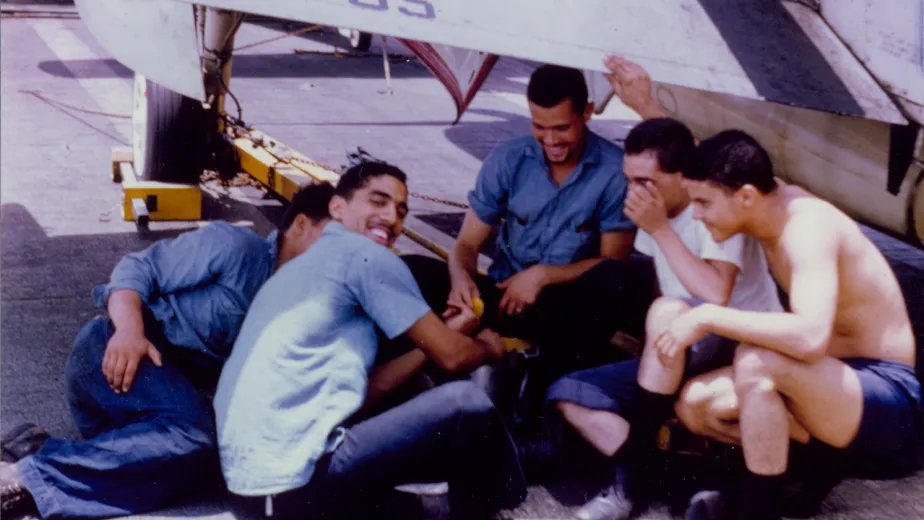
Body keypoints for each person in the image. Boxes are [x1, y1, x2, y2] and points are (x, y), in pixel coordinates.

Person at [0, 183, 337, 518]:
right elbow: (135, 270)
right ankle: (23, 479)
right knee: (195, 436)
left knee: (218, 467)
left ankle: (41, 450)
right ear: (301, 224)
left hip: (155, 419)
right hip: (117, 361)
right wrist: (130, 330)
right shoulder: (235, 247)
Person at [213, 161, 527, 520]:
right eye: (377, 201)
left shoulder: (307, 265)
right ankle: (513, 486)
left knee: (432, 509)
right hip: (296, 484)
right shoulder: (365, 257)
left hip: (256, 493)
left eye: (401, 210)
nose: (392, 216)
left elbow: (365, 390)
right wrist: (488, 345)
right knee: (465, 404)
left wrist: (443, 340)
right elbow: (454, 357)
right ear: (337, 208)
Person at [657, 130, 922, 520]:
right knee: (697, 405)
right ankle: (805, 479)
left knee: (756, 362)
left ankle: (758, 510)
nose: (696, 214)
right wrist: (646, 105)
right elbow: (726, 155)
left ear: (746, 196)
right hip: (825, 385)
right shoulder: (763, 197)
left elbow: (811, 338)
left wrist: (707, 316)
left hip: (885, 397)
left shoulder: (806, 229)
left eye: (703, 203)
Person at [545, 115, 784, 520]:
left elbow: (714, 294)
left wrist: (660, 230)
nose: (634, 192)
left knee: (669, 312)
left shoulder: (712, 208)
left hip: (737, 341)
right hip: (679, 347)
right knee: (568, 394)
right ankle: (673, 481)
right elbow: (663, 288)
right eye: (629, 179)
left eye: (646, 181)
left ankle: (629, 487)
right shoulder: (654, 217)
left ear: (680, 177)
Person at [402, 63, 651, 420]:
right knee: (411, 270)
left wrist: (544, 275)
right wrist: (461, 281)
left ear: (587, 113)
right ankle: (418, 373)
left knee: (615, 282)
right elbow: (467, 245)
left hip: (564, 312)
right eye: (539, 127)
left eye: (562, 128)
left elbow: (613, 261)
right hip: (501, 299)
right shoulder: (508, 159)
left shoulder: (614, 172)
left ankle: (542, 398)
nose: (550, 140)